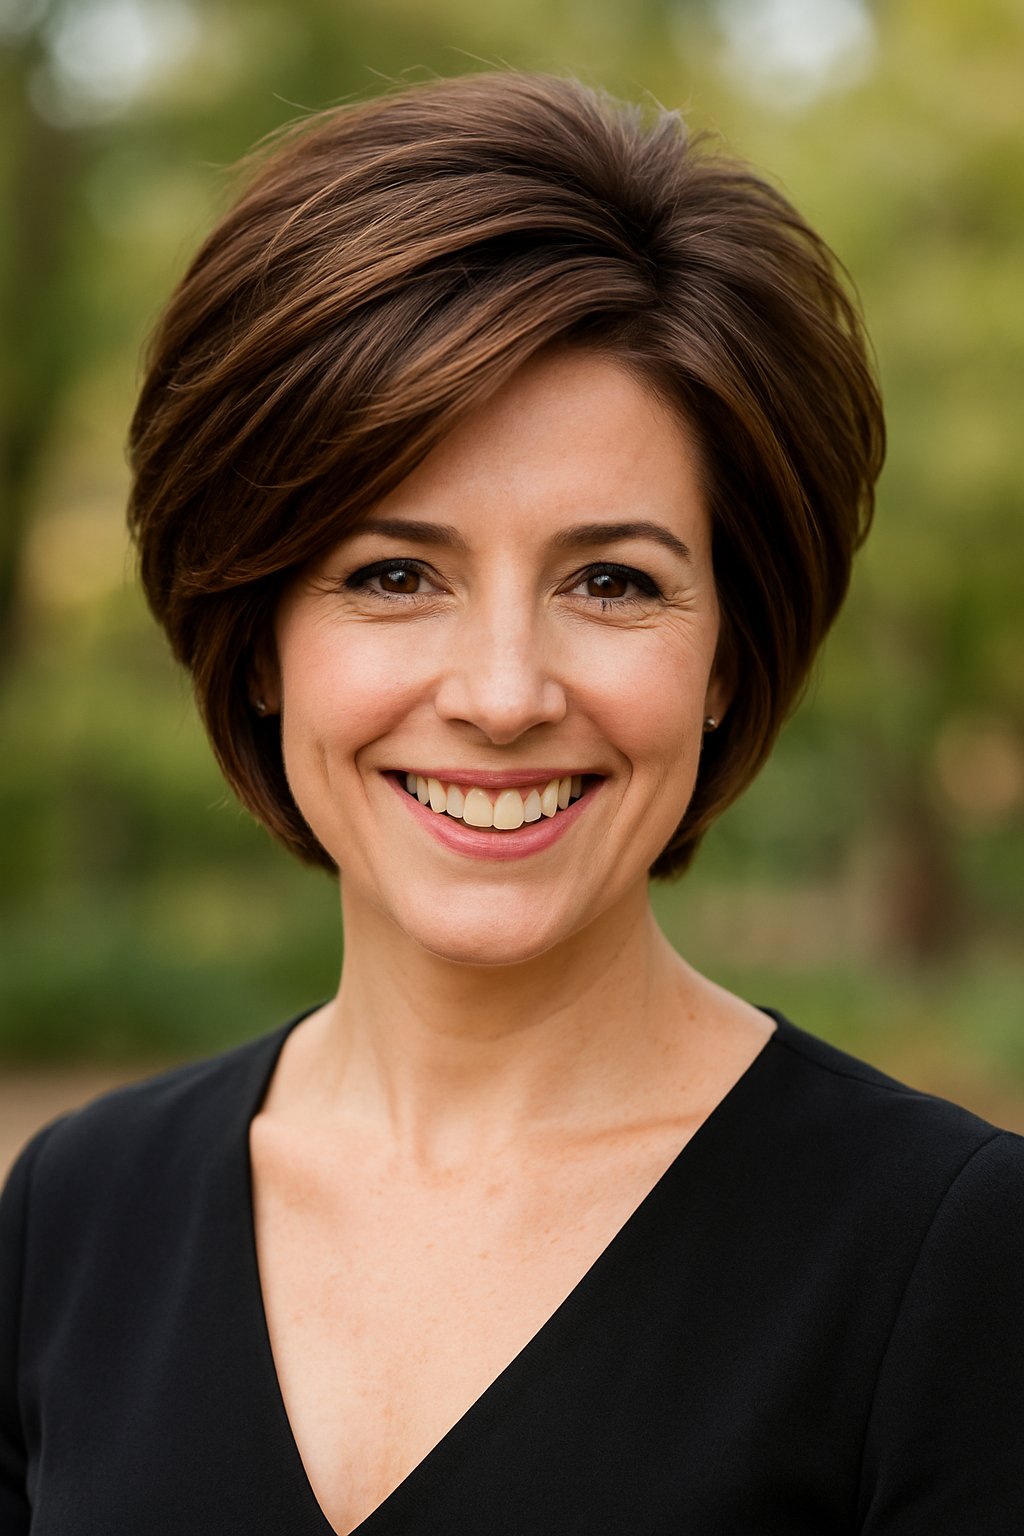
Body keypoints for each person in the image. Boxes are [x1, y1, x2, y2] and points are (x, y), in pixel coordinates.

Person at [1, 70, 1021, 1536]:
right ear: (263, 635)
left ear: (729, 652)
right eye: (393, 575)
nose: (500, 692)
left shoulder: (957, 1261)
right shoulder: (75, 1221)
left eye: (612, 582)